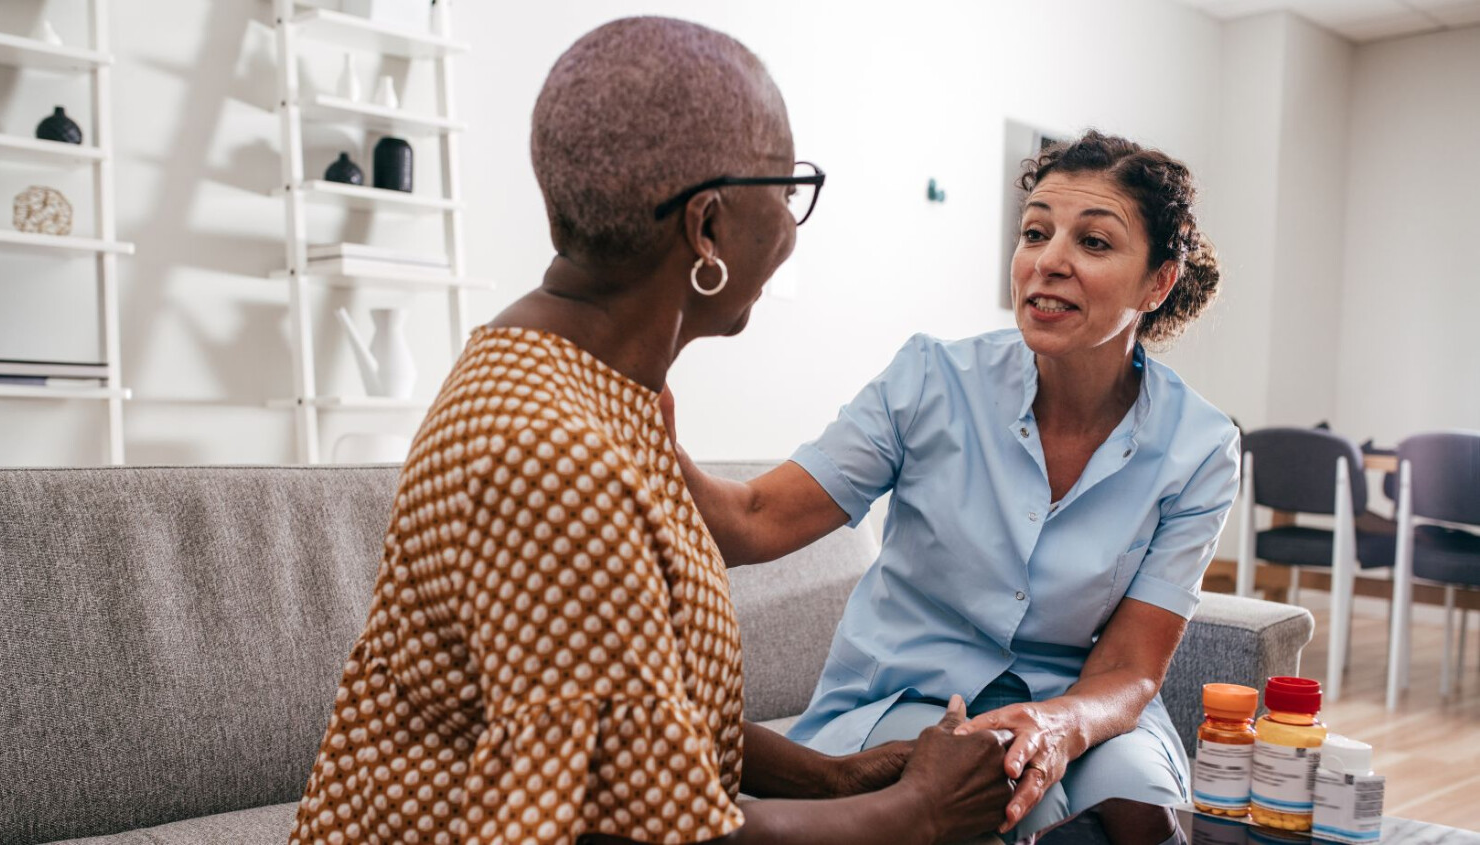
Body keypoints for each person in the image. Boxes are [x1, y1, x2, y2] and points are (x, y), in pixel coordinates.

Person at [288, 16, 1012, 845]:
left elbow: (624, 720)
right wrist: (920, 811)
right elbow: (639, 832)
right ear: (706, 229)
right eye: (786, 190)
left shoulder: (577, 382)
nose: (790, 220)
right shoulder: (555, 457)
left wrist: (836, 776)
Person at [678, 130, 1238, 843]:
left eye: (1093, 243)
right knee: (1010, 805)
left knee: (1143, 813)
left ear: (1158, 282)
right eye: (1035, 233)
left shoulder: (1200, 447)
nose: (1049, 261)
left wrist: (1060, 722)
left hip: (1081, 703)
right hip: (908, 693)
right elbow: (755, 516)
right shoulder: (930, 381)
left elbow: (1131, 666)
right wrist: (648, 432)